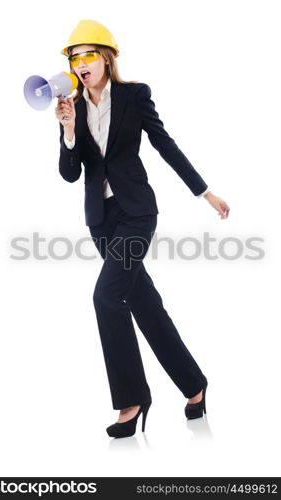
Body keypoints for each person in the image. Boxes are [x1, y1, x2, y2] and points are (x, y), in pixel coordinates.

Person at [55, 19, 230, 438]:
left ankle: (132, 400)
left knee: (106, 296)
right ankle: (194, 385)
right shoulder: (71, 107)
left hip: (136, 213)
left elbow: (164, 143)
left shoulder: (135, 95)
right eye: (74, 57)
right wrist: (67, 133)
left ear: (107, 57)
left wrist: (204, 192)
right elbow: (68, 173)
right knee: (145, 306)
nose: (81, 64)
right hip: (101, 219)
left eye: (88, 55)